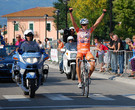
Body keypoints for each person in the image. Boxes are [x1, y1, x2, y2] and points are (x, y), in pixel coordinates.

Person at [69, 7, 107, 88]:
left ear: (87, 24)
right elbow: (73, 22)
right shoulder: (78, 30)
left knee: (93, 63)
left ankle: (88, 76)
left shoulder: (90, 30)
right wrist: (70, 13)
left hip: (87, 51)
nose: (84, 26)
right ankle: (79, 81)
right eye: (83, 24)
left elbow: (97, 22)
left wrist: (103, 14)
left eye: (85, 24)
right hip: (80, 51)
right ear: (81, 25)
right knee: (78, 63)